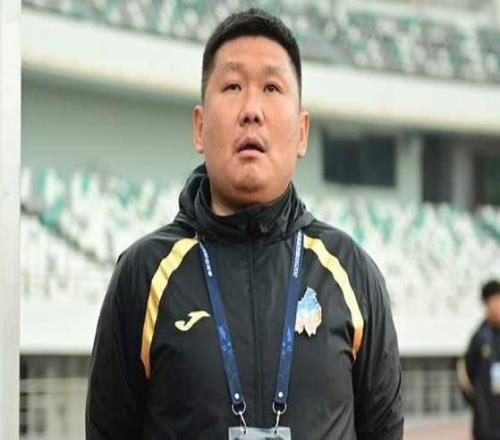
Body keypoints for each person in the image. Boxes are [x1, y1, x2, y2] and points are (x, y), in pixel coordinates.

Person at [85, 8, 404, 440]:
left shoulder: (352, 274)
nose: (252, 109)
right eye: (233, 86)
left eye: (272, 87)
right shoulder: (143, 275)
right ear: (200, 127)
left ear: (302, 132)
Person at [458, 280, 500, 440]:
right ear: (485, 305)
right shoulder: (479, 338)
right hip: (485, 425)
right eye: (492, 302)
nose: (496, 306)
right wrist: (478, 403)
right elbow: (465, 375)